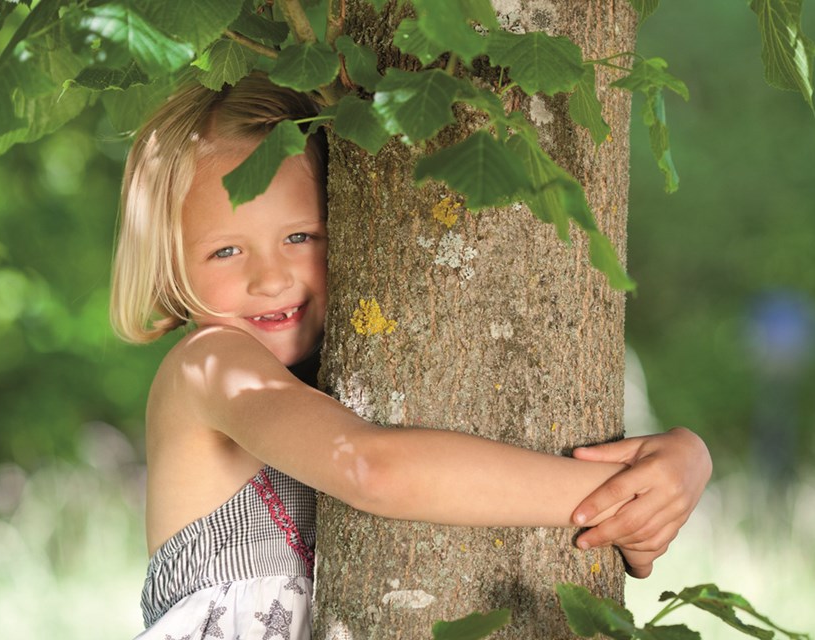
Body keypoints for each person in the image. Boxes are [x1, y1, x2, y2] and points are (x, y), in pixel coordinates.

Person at [110, 74, 711, 639]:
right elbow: (373, 469)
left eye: (299, 237)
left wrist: (687, 460)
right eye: (225, 251)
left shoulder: (328, 383)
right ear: (169, 263)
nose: (269, 279)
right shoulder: (209, 367)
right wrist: (627, 497)